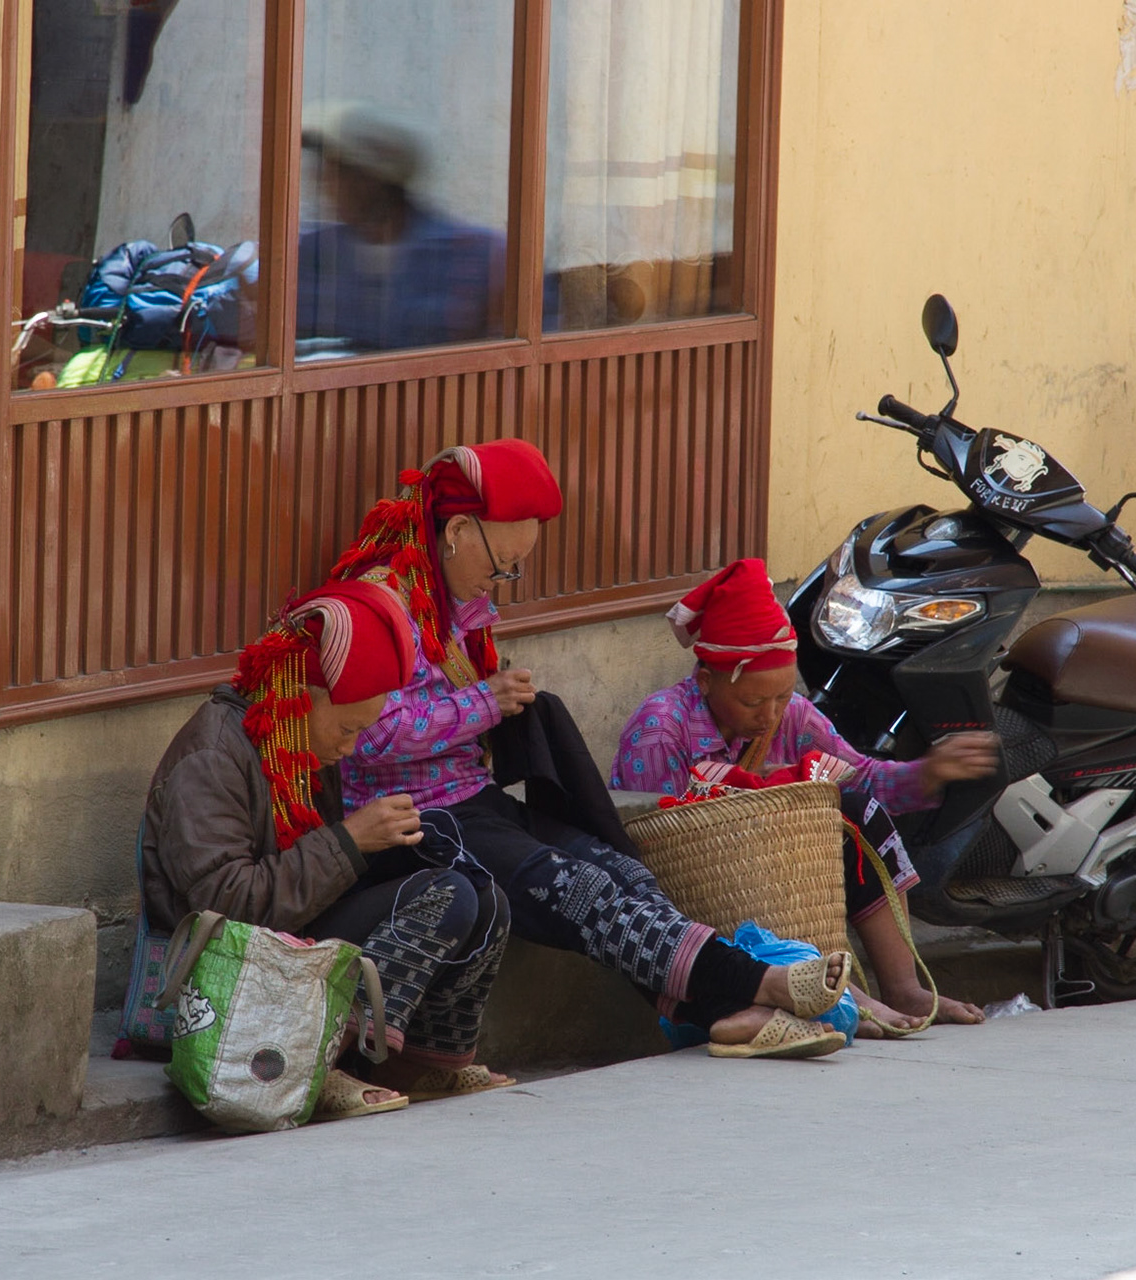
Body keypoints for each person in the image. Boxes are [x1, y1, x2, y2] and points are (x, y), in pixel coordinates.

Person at [330, 439, 851, 1060]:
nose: (502, 584)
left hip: (471, 798)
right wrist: (485, 704)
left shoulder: (448, 603)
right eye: (502, 565)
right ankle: (753, 986)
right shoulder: (380, 602)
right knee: (579, 890)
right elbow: (366, 738)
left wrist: (496, 708)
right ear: (459, 530)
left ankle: (721, 1013)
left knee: (622, 871)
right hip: (413, 818)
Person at [142, 579, 516, 1119]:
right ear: (301, 698)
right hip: (226, 967)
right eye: (345, 729)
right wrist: (350, 842)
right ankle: (307, 1061)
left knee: (481, 895)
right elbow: (225, 905)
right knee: (446, 898)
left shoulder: (300, 746)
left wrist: (389, 845)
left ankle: (414, 1061)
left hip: (289, 929)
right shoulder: (213, 756)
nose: (349, 748)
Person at [610, 559, 1002, 1029]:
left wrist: (930, 772)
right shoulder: (659, 730)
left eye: (780, 696)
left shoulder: (794, 715)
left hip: (780, 879)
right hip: (703, 893)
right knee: (773, 847)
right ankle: (846, 996)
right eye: (753, 702)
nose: (769, 716)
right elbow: (659, 845)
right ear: (705, 680)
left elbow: (862, 779)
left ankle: (904, 987)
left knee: (857, 809)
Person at [297, 101, 505, 353]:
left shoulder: (480, 257)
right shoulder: (313, 255)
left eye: (339, 172)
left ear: (375, 180)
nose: (325, 185)